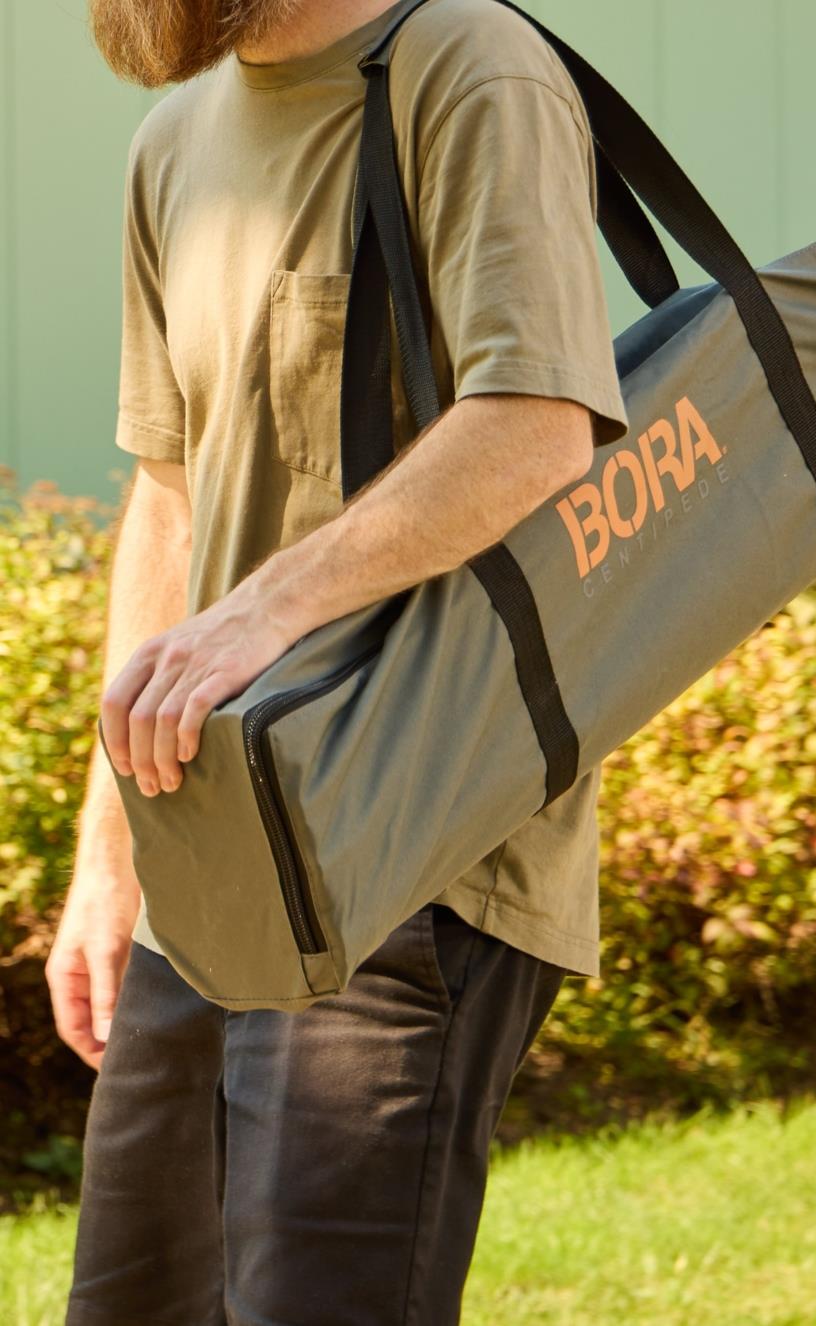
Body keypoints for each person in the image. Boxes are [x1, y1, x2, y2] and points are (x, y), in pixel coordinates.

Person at [46, 0, 629, 1321]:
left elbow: (535, 424)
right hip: (206, 846)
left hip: (408, 841)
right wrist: (110, 848)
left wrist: (262, 615)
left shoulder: (467, 67)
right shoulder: (174, 141)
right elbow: (170, 497)